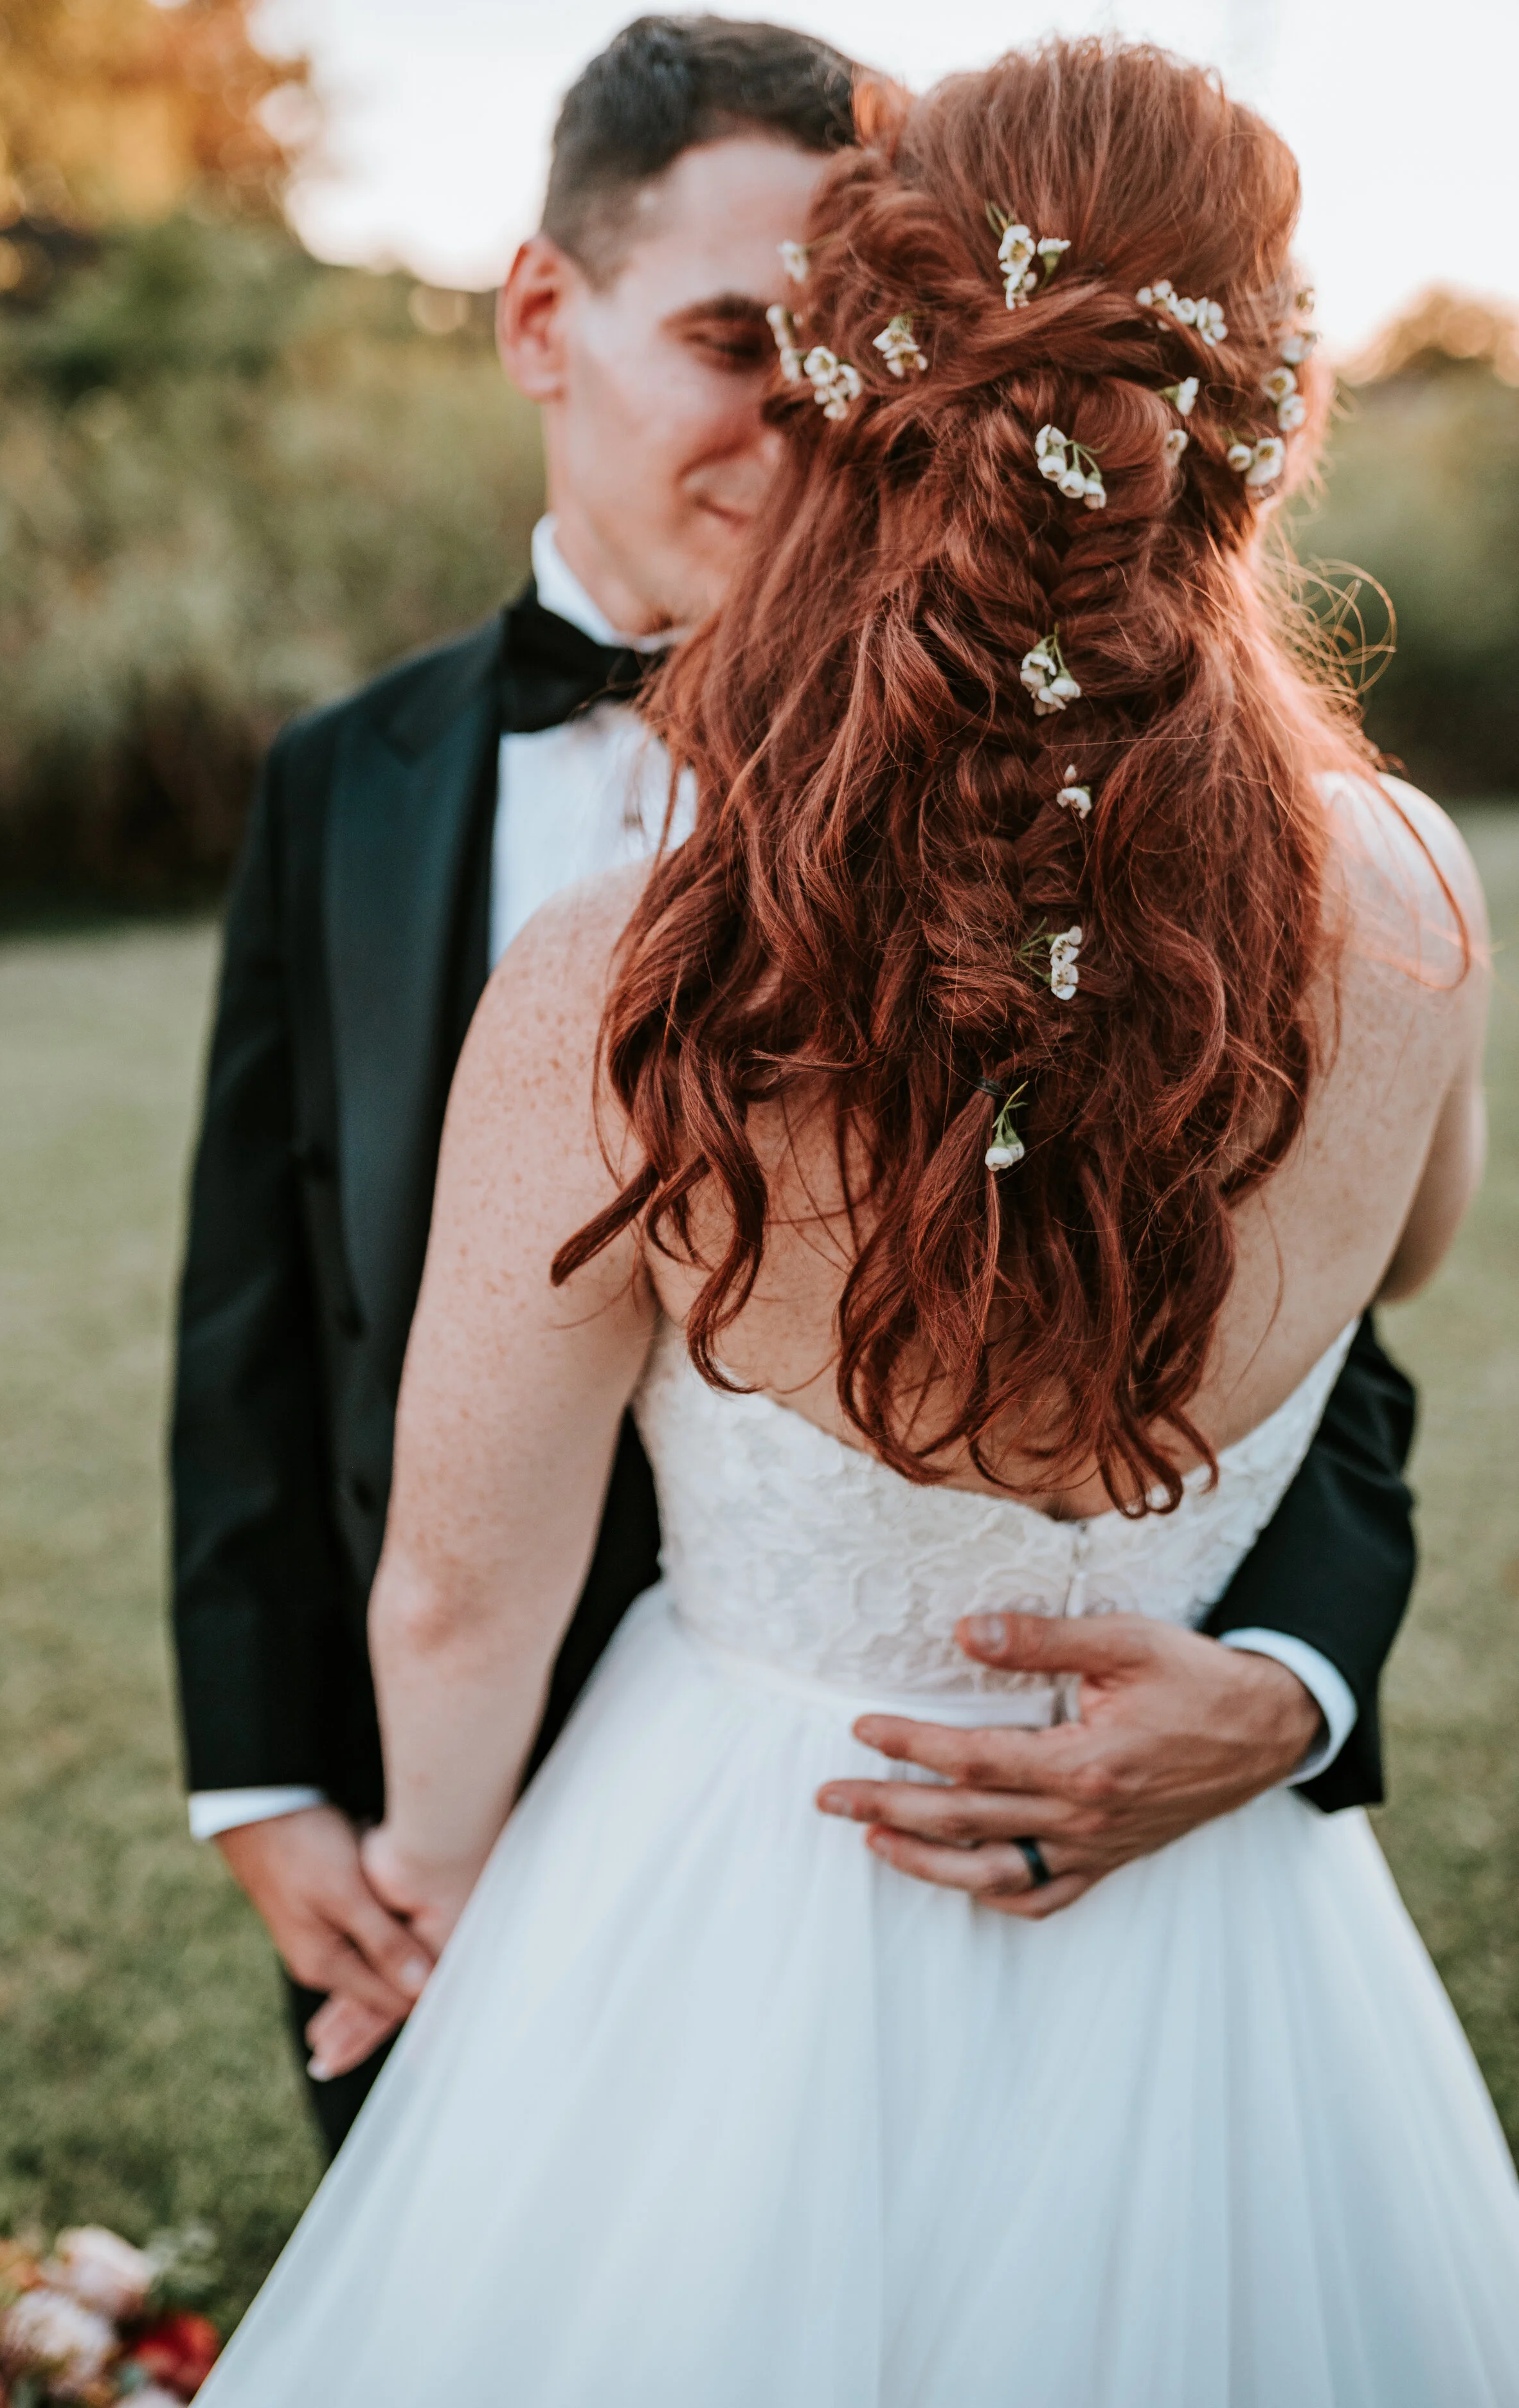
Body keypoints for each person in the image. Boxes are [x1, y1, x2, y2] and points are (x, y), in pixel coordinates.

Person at [197, 35, 1519, 2402]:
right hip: (1227, 1973)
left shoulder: (630, 981)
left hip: (717, 1880)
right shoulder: (1418, 896)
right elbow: (1389, 1275)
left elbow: (454, 1583)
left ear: (866, 393)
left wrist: (458, 1898)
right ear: (1266, 417)